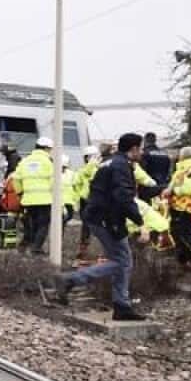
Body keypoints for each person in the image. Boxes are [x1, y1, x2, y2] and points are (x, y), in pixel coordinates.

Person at [55, 133, 147, 321]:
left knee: (122, 260)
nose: (143, 152)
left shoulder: (109, 162)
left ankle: (122, 306)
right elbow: (123, 197)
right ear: (134, 149)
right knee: (122, 262)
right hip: (108, 219)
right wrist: (141, 223)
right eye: (141, 148)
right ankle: (71, 280)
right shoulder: (121, 167)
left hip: (99, 216)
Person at [12, 137, 55, 254]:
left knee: (32, 223)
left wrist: (20, 193)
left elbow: (15, 178)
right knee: (43, 225)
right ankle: (36, 248)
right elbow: (54, 181)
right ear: (46, 148)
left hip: (28, 200)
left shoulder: (25, 161)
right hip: (44, 200)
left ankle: (30, 246)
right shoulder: (48, 162)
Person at [164, 146, 191, 269]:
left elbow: (189, 189)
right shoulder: (184, 168)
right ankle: (184, 259)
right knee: (178, 232)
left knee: (184, 233)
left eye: (180, 154)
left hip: (186, 206)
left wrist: (172, 191)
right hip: (180, 206)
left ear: (184, 156)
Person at [73, 145, 102, 262]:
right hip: (92, 200)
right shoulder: (98, 169)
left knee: (88, 226)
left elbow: (76, 184)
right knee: (93, 226)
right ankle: (85, 250)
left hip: (89, 200)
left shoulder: (84, 170)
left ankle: (85, 250)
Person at [60, 154, 78, 224]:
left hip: (69, 200)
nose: (63, 168)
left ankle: (62, 224)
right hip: (59, 200)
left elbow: (75, 185)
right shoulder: (54, 173)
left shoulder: (71, 173)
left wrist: (75, 198)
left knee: (70, 215)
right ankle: (61, 227)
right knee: (60, 217)